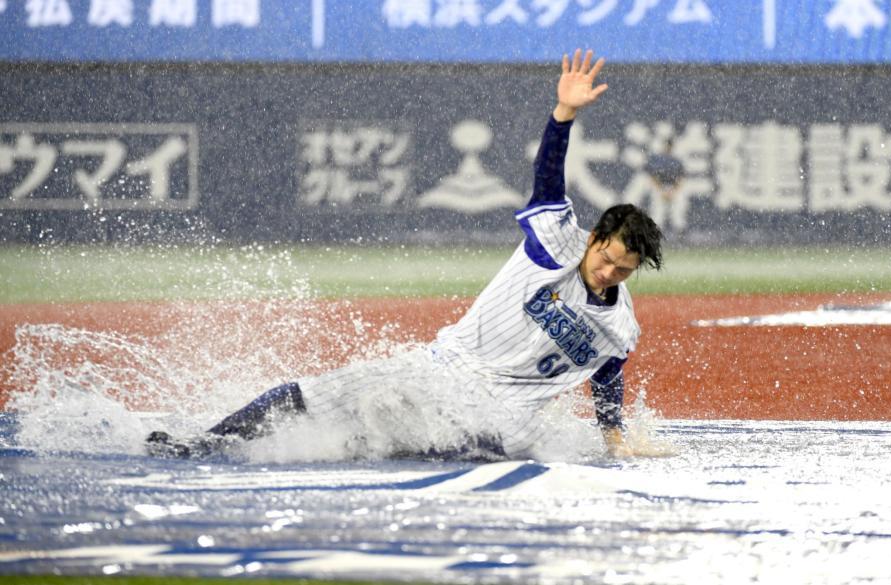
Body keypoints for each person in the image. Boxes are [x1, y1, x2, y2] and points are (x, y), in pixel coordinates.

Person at [146, 49, 663, 461]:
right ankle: (207, 443)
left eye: (623, 269)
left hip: (511, 413)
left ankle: (392, 450)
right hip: (446, 366)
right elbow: (548, 175)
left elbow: (607, 375)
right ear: (595, 237)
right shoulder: (557, 241)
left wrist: (614, 434)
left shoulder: (619, 323)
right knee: (316, 393)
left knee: (477, 442)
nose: (609, 270)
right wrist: (564, 115)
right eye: (607, 256)